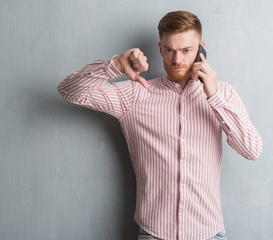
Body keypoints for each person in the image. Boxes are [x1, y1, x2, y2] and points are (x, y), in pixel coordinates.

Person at [57, 10, 262, 240]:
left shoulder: (223, 93)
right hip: (154, 233)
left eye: (187, 50)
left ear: (201, 48)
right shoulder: (136, 94)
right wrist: (114, 65)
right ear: (159, 49)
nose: (177, 60)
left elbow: (252, 150)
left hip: (209, 233)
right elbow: (69, 91)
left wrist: (214, 96)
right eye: (170, 50)